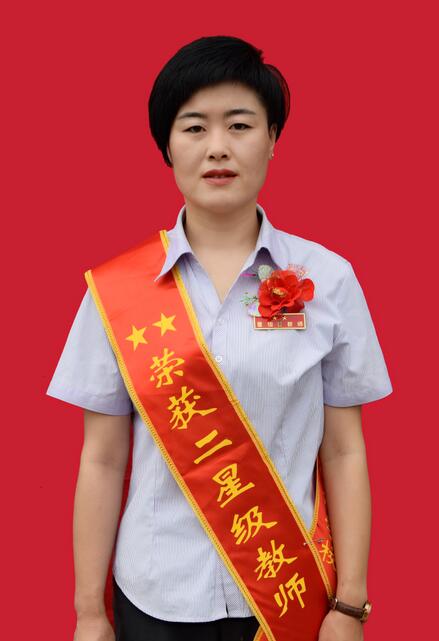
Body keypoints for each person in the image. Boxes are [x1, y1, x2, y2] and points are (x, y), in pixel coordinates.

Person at [46, 35, 393, 641]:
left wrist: (350, 604)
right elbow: (101, 459)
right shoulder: (116, 291)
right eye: (194, 127)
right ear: (167, 145)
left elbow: (344, 450)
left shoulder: (327, 278)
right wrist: (88, 613)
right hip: (156, 594)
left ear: (272, 138)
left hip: (287, 592)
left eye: (239, 125)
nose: (218, 147)